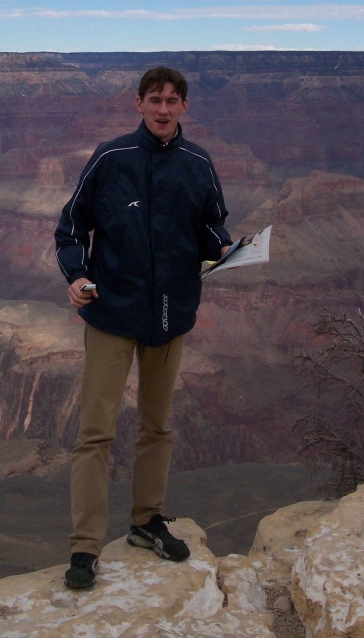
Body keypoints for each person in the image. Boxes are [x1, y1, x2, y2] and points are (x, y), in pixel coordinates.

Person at [54, 65, 232, 589]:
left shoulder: (198, 163)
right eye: (154, 99)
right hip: (112, 311)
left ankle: (146, 521)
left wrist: (224, 247)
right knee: (96, 432)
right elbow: (71, 227)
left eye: (172, 100)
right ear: (139, 104)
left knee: (157, 426)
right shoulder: (111, 158)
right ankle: (85, 548)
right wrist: (76, 275)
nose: (163, 109)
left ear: (184, 106)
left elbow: (212, 225)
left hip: (170, 313)